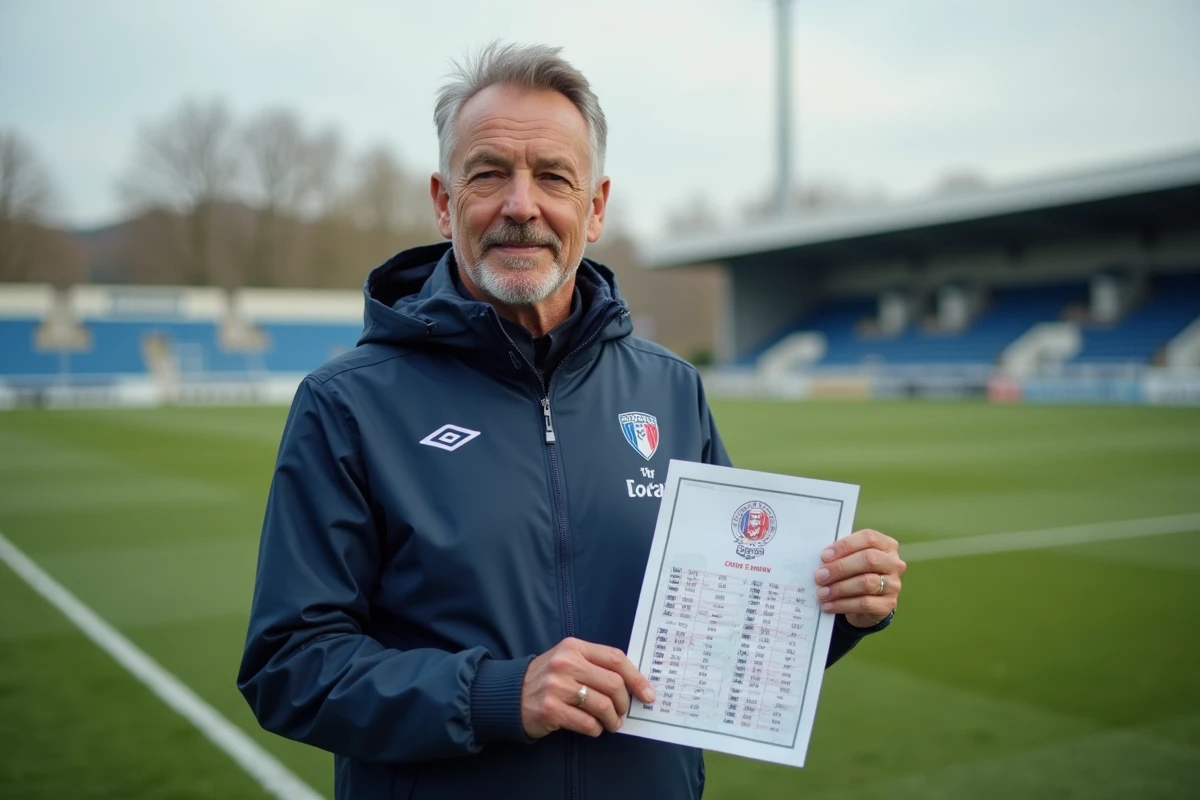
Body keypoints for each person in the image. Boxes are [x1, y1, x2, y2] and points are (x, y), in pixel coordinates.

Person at [238, 42, 906, 800]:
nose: (521, 205)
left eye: (553, 177)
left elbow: (723, 634)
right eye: (488, 173)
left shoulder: (671, 390)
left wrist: (837, 607)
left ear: (594, 208)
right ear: (442, 199)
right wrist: (499, 693)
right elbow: (289, 666)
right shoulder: (348, 403)